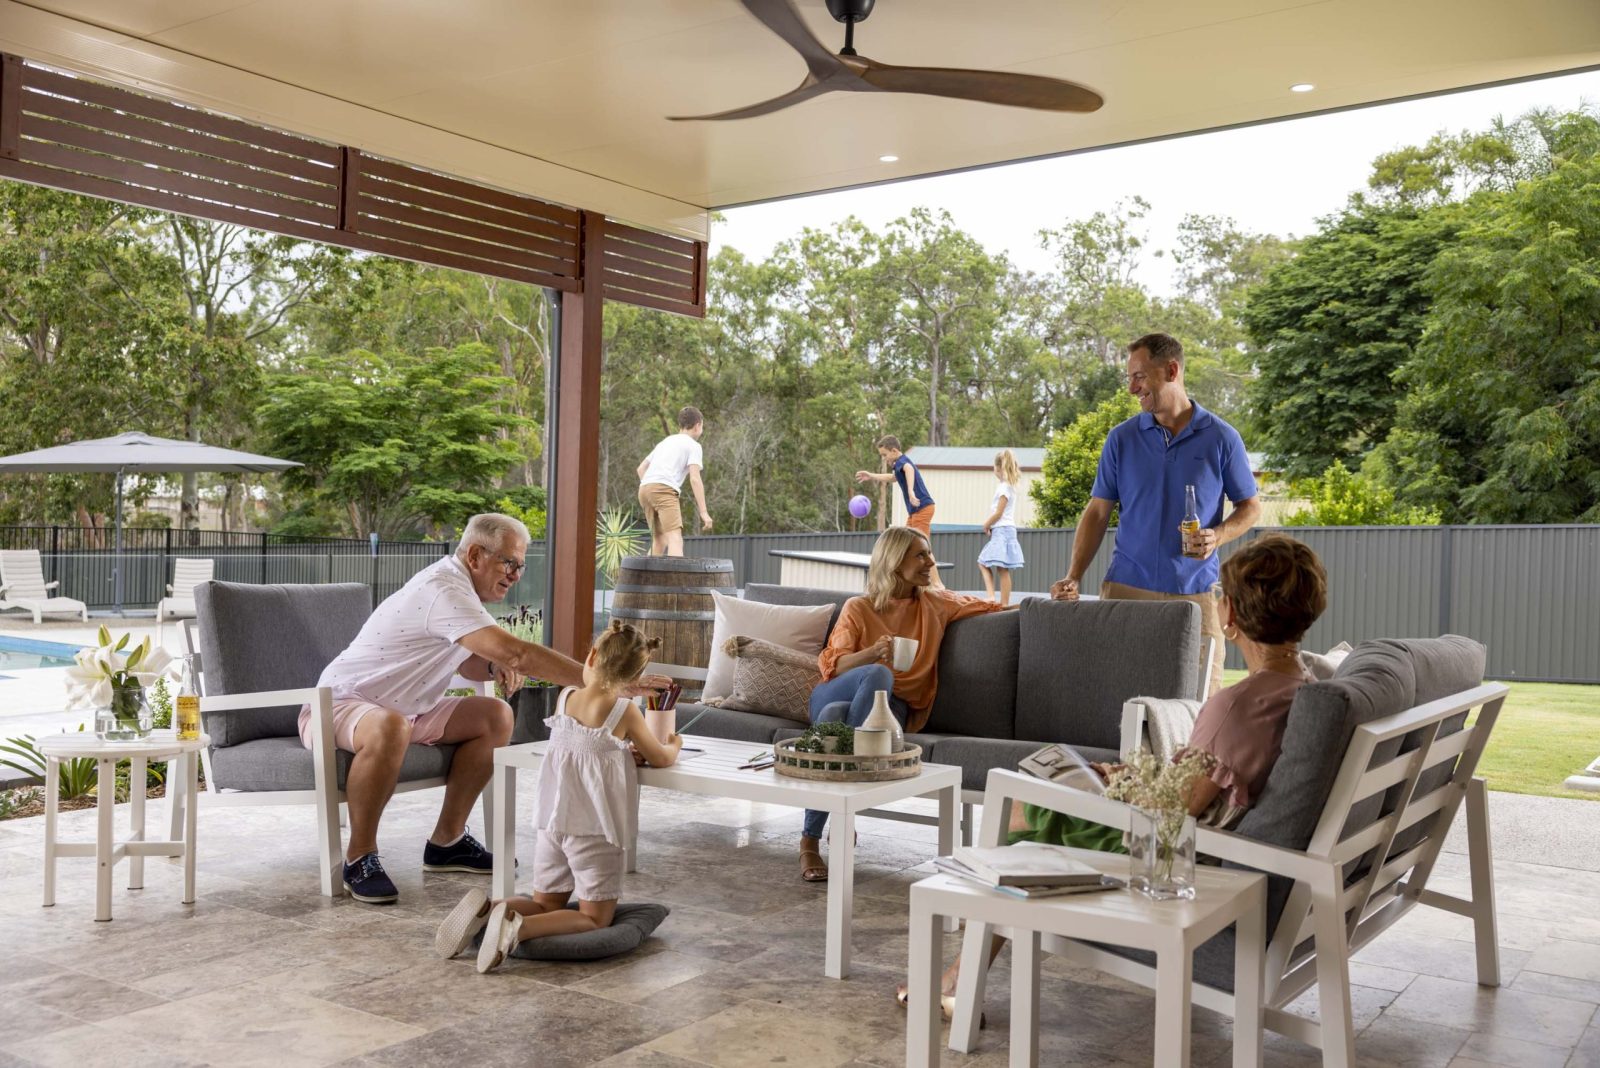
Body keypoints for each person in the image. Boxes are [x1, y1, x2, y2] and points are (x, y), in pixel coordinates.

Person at [899, 533, 1328, 1012]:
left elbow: (1175, 810)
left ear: (1229, 614)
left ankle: (961, 981)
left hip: (1178, 862)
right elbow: (1200, 788)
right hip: (1226, 849)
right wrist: (1119, 777)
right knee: (1054, 787)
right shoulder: (1306, 684)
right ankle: (963, 977)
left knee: (1023, 802)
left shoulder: (1238, 705)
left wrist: (1113, 788)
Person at [305, 513, 666, 905]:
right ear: (475, 554)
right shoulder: (444, 590)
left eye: (520, 566)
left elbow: (464, 662)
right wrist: (604, 679)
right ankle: (360, 857)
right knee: (390, 726)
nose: (515, 575)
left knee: (495, 716)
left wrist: (494, 666)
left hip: (408, 711)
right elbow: (520, 652)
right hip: (339, 704)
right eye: (508, 562)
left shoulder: (461, 591)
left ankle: (448, 842)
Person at [434, 620, 683, 972]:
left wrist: (620, 751)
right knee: (595, 919)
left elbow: (588, 749)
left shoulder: (565, 698)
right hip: (594, 832)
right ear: (634, 676)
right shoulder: (623, 711)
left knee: (548, 903)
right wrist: (674, 745)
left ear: (592, 655)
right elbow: (658, 757)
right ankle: (516, 928)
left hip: (551, 825)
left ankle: (488, 910)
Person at [1050, 333, 1261, 697]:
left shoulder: (1222, 438)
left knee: (1199, 702)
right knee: (1116, 700)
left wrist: (1217, 536)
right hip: (1127, 591)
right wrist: (1073, 575)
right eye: (1129, 378)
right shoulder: (1121, 439)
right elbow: (1098, 511)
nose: (1132, 388)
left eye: (1139, 377)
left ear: (1171, 370)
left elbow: (1251, 507)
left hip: (1195, 594)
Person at [799, 526, 1010, 882]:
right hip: (837, 690)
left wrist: (1055, 603)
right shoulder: (859, 606)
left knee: (835, 720)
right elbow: (832, 665)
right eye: (921, 555)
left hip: (889, 710)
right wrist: (874, 654)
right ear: (895, 561)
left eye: (928, 554)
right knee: (876, 679)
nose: (931, 562)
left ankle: (811, 838)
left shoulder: (935, 603)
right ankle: (839, 814)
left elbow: (994, 606)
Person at [856, 436, 944, 588]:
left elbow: (909, 470)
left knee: (923, 547)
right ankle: (910, 580)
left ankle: (937, 584)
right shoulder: (897, 464)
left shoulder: (903, 462)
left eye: (885, 455)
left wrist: (910, 491)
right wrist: (871, 476)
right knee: (907, 543)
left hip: (922, 508)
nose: (884, 459)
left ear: (894, 450)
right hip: (916, 511)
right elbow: (892, 478)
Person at [637, 406, 713, 556]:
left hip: (644, 488)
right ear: (698, 426)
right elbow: (695, 479)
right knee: (675, 539)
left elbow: (640, 469)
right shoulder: (694, 446)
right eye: (702, 426)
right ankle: (675, 580)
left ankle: (645, 579)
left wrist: (651, 487)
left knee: (660, 539)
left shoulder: (665, 442)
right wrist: (704, 512)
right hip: (664, 490)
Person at [976, 449, 1025, 605]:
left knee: (986, 563)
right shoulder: (1010, 486)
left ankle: (995, 598)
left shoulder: (1004, 487)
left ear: (998, 468)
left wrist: (986, 524)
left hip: (1002, 529)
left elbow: (998, 513)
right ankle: (1001, 601)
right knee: (1001, 567)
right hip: (1006, 529)